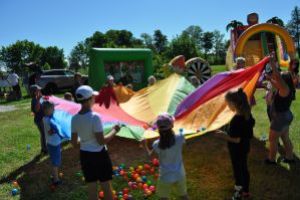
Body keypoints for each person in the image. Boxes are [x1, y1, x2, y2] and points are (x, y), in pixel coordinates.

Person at [71, 85, 121, 200]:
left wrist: (85, 143)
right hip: (99, 156)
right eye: (93, 97)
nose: (95, 99)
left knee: (91, 187)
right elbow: (101, 141)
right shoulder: (95, 117)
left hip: (85, 156)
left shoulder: (74, 118)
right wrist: (115, 130)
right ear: (90, 99)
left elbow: (74, 143)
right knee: (106, 185)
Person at [214, 89, 255, 199]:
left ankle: (238, 192)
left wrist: (223, 135)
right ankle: (246, 191)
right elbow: (243, 132)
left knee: (238, 171)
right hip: (245, 147)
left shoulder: (237, 119)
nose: (227, 106)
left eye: (227, 103)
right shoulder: (247, 114)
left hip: (237, 149)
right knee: (244, 168)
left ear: (233, 104)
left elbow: (236, 139)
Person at [148, 113, 189, 200]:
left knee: (163, 198)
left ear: (158, 129)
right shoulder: (180, 138)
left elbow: (150, 157)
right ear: (172, 125)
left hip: (165, 176)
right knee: (184, 196)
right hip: (179, 174)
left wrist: (144, 145)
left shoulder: (156, 144)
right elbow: (182, 145)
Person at [265, 53, 296, 164]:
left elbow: (277, 77)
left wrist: (272, 62)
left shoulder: (284, 89)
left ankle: (271, 159)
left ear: (284, 81)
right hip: (286, 116)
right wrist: (269, 79)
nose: (276, 79)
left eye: (279, 79)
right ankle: (289, 157)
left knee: (272, 140)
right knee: (285, 138)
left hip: (280, 118)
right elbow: (277, 81)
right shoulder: (286, 88)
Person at [42, 101, 63, 186]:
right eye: (52, 108)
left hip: (52, 143)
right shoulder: (47, 120)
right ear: (47, 110)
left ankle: (54, 175)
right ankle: (56, 180)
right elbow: (50, 132)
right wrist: (58, 128)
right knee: (55, 162)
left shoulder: (46, 118)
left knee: (55, 160)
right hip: (53, 144)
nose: (54, 109)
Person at [30, 84, 47, 154]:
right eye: (38, 90)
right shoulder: (34, 100)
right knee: (43, 134)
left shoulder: (40, 98)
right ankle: (44, 149)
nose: (40, 91)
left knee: (44, 133)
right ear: (35, 92)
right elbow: (36, 110)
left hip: (43, 118)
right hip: (39, 120)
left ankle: (44, 148)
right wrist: (39, 99)